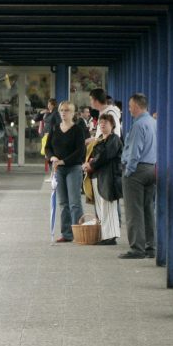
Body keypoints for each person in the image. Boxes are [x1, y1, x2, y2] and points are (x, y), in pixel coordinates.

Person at [119, 93, 157, 259]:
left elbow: (134, 150)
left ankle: (137, 249)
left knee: (134, 211)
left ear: (136, 106)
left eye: (130, 106)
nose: (128, 109)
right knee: (148, 209)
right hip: (152, 168)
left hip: (137, 171)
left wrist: (128, 171)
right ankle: (151, 246)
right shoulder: (153, 122)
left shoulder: (138, 125)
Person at [47, 101, 89, 243]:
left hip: (73, 168)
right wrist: (52, 157)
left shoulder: (77, 130)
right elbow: (48, 147)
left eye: (66, 110)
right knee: (63, 203)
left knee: (74, 202)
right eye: (61, 110)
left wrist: (63, 161)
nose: (63, 113)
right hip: (59, 170)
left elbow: (80, 151)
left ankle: (79, 232)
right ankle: (67, 234)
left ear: (72, 113)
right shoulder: (54, 128)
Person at [83, 114, 123, 245]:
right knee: (100, 207)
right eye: (101, 122)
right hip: (97, 176)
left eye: (106, 122)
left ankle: (111, 236)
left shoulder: (114, 139)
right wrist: (89, 163)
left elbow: (105, 155)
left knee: (108, 206)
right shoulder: (99, 140)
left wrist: (91, 164)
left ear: (112, 125)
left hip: (109, 177)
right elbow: (94, 155)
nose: (102, 124)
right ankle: (105, 235)